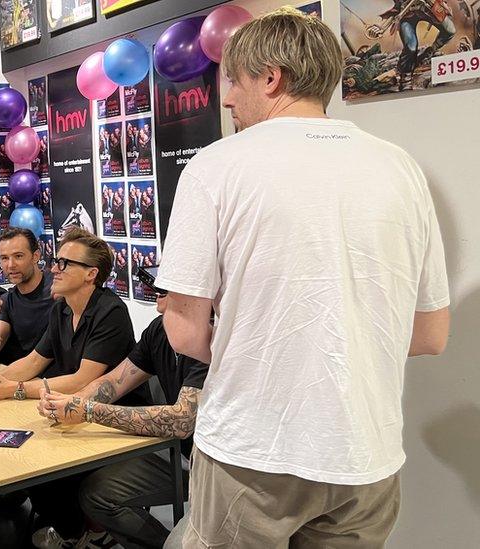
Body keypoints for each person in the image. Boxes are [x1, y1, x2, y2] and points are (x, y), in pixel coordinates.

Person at [156, 9, 450, 548]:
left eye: (232, 81)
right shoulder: (400, 167)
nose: (226, 99)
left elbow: (183, 332)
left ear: (272, 78)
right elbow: (430, 335)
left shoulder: (217, 166)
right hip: (366, 454)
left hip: (253, 453)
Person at [0, 228, 143, 545]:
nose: (55, 268)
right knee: (33, 468)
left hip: (112, 419)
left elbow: (82, 380)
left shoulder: (110, 311)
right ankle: (74, 531)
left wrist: (15, 390)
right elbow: (34, 360)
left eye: (65, 263)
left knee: (46, 474)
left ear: (91, 274)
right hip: (72, 412)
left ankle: (89, 534)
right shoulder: (61, 308)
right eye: (57, 261)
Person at [37, 288, 208, 549]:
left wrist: (87, 410)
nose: (158, 303)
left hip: (212, 464)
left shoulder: (212, 339)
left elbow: (181, 421)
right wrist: (71, 404)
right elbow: (115, 381)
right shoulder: (158, 330)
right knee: (96, 493)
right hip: (179, 453)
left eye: (163, 291)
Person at [0, 227, 54, 365]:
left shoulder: (57, 288)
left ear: (35, 256)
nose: (11, 265)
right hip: (23, 376)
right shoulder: (7, 300)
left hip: (59, 379)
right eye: (5, 258)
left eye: (18, 256)